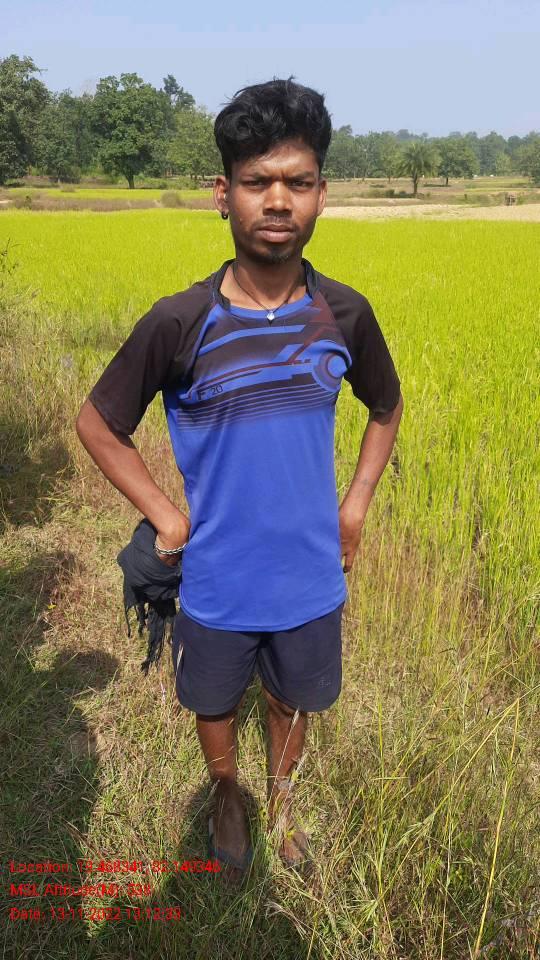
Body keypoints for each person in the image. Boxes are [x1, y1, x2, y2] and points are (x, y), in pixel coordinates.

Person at [75, 76, 403, 884]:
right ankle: (228, 794)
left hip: (309, 572)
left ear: (322, 194)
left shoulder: (344, 315)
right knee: (214, 702)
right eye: (258, 181)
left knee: (292, 699)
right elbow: (98, 424)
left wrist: (355, 507)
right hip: (217, 574)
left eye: (298, 181)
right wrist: (166, 516)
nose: (278, 200)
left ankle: (282, 805)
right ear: (223, 195)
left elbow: (386, 407)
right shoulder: (181, 322)